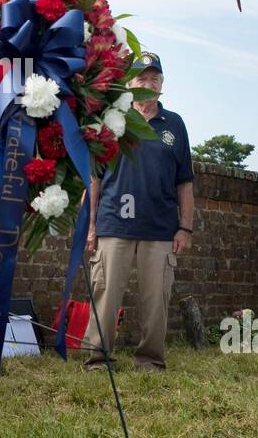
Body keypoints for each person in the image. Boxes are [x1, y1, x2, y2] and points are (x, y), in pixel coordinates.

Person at [83, 52, 194, 372]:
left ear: (162, 84)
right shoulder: (112, 120)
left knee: (156, 299)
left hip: (160, 228)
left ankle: (150, 360)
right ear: (129, 84)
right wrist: (91, 227)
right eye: (141, 78)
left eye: (154, 78)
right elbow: (95, 178)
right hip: (113, 223)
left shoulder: (175, 124)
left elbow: (185, 182)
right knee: (105, 294)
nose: (148, 83)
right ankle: (98, 358)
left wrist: (185, 228)